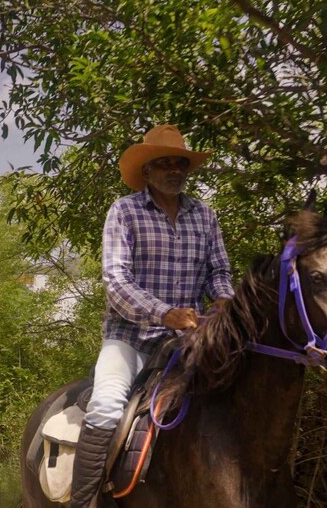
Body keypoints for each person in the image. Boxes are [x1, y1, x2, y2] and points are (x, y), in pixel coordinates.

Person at [70, 124, 235, 507]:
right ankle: (85, 502)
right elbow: (116, 281)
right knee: (108, 404)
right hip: (130, 339)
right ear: (146, 172)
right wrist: (165, 314)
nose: (173, 170)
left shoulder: (205, 216)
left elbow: (220, 273)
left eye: (179, 163)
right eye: (163, 164)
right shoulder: (124, 212)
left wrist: (225, 302)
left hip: (190, 343)